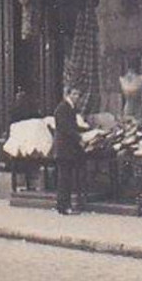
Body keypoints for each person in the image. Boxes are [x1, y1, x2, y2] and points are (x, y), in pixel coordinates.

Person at [52, 86, 84, 215]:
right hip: (64, 149)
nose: (77, 97)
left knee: (67, 178)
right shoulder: (63, 108)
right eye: (74, 94)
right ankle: (63, 206)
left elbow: (73, 127)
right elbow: (66, 128)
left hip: (68, 149)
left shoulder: (70, 108)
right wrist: (79, 136)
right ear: (68, 94)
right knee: (64, 178)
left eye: (78, 94)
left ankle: (65, 205)